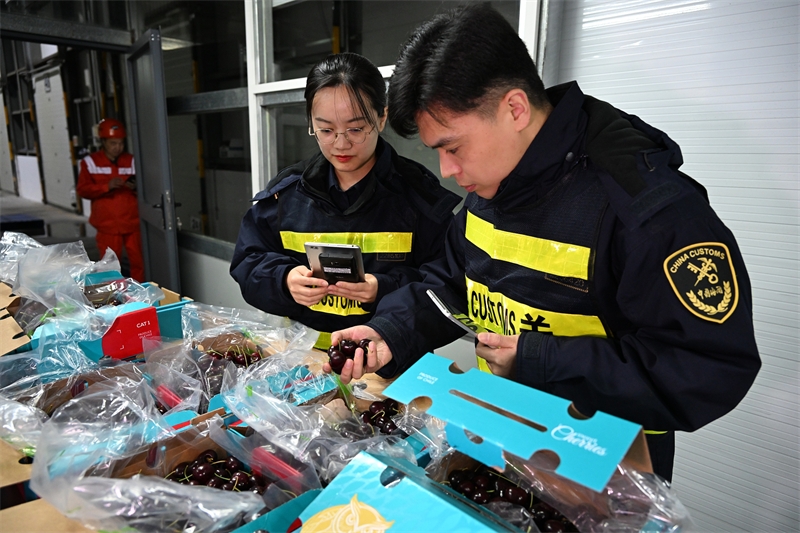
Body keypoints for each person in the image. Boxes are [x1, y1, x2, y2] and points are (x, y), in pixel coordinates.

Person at [329, 5, 761, 482]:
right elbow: (448, 282)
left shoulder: (645, 208)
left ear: (514, 108)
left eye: (453, 148)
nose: (447, 171)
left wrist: (539, 359)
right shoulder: (491, 185)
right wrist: (390, 331)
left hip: (604, 473)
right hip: (502, 442)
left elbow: (709, 367)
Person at [230, 53, 461, 351]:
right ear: (310, 123)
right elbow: (248, 262)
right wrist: (284, 280)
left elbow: (448, 284)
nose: (341, 144)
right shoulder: (286, 195)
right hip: (304, 359)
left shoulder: (419, 196)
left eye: (355, 129)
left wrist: (384, 288)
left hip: (392, 361)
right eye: (326, 130)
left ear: (381, 117)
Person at [77, 118, 144, 281]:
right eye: (113, 143)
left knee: (139, 263)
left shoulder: (132, 161)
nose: (117, 147)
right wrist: (106, 186)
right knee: (109, 266)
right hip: (107, 225)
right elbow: (83, 190)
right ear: (103, 141)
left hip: (131, 222)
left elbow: (148, 188)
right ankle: (112, 297)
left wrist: (135, 187)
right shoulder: (90, 162)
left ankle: (141, 297)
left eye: (120, 143)